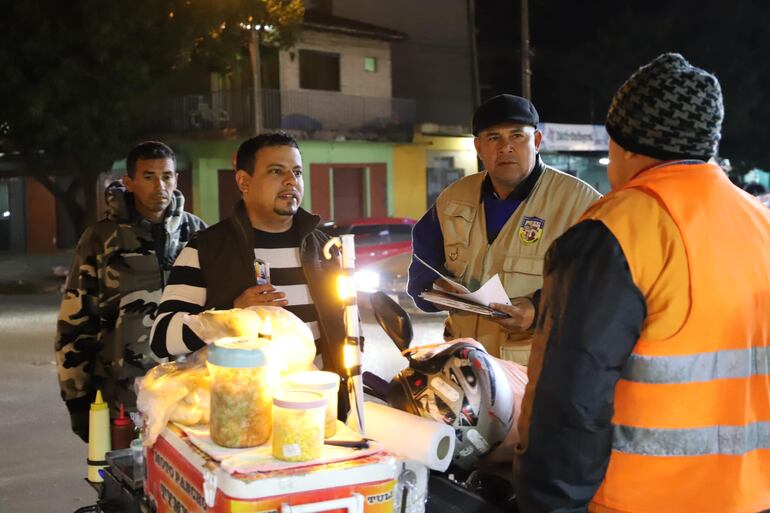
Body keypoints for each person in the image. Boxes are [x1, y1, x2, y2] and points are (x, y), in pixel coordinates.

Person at [515, 53, 770, 513]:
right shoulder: (761, 223)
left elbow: (571, 401)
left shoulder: (618, 229)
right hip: (750, 498)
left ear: (627, 145)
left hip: (642, 501)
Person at [149, 132, 349, 414]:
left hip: (320, 412)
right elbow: (161, 339)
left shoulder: (324, 249)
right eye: (276, 171)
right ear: (244, 181)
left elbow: (349, 330)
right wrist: (233, 314)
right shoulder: (205, 249)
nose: (291, 181)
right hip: (241, 418)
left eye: (297, 172)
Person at [407, 94, 601, 364]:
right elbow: (421, 265)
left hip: (536, 374)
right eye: (493, 137)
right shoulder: (454, 198)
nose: (505, 147)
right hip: (466, 367)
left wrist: (538, 310)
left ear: (536, 141)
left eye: (517, 136)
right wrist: (435, 292)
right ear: (478, 147)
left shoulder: (580, 202)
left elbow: (600, 287)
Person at [55, 141, 207, 442]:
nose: (160, 186)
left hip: (191, 397)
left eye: (167, 176)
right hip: (123, 398)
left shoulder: (199, 234)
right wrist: (77, 398)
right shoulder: (100, 239)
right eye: (149, 176)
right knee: (125, 483)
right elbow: (75, 323)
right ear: (129, 182)